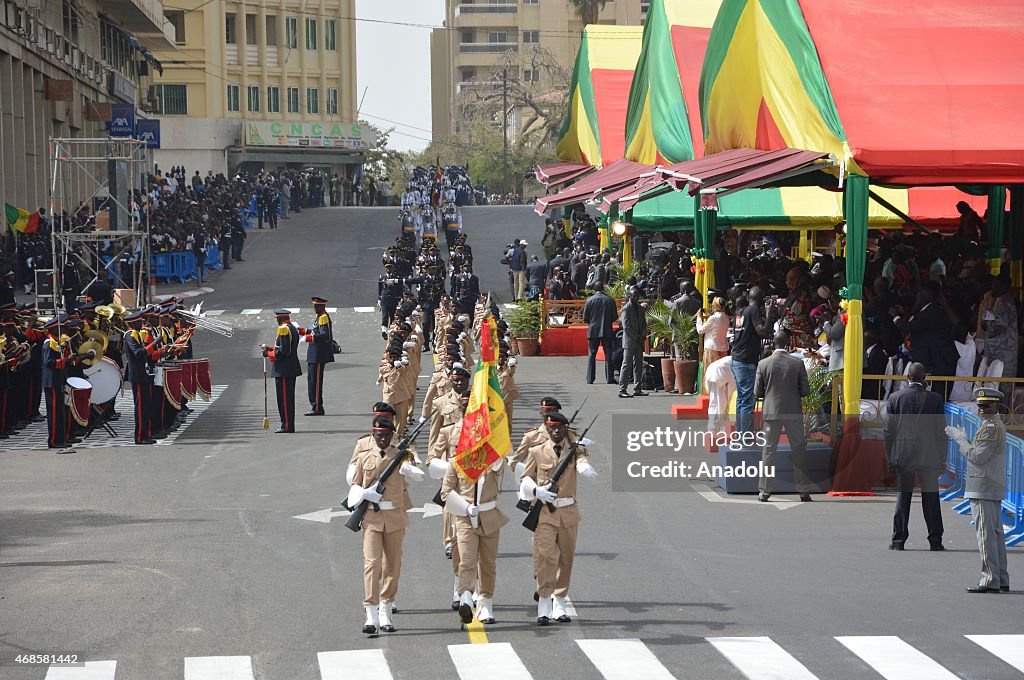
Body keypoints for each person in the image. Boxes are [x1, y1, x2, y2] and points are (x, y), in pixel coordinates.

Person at [519, 412, 597, 625]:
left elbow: (581, 457)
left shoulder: (574, 451)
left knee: (566, 558)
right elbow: (525, 477)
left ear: (565, 429)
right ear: (546, 427)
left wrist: (583, 466)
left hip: (568, 512)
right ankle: (544, 601)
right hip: (545, 511)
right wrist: (536, 490)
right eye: (551, 427)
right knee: (546, 557)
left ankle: (560, 602)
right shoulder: (536, 451)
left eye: (559, 428)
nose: (555, 431)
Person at [347, 416, 422, 634]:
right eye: (378, 435)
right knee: (372, 564)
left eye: (386, 435)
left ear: (392, 436)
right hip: (371, 517)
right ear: (373, 434)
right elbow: (354, 486)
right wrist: (364, 493)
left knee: (393, 565)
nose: (382, 439)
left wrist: (411, 469)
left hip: (394, 517)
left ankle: (386, 608)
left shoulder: (401, 456)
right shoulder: (364, 456)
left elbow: (414, 471)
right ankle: (370, 612)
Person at [439, 392, 507, 625]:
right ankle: (466, 596)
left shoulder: (493, 458)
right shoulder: (456, 462)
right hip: (466, 517)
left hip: (489, 515)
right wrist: (466, 508)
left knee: (488, 563)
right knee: (466, 560)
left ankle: (486, 602)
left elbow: (500, 468)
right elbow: (445, 493)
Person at [946, 388, 1010, 593]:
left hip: (983, 486)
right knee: (995, 534)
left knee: (986, 535)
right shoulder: (991, 425)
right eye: (979, 405)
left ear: (996, 406)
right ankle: (1000, 578)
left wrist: (960, 440)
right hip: (988, 485)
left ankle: (990, 579)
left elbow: (977, 457)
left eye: (986, 405)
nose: (981, 409)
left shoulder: (991, 427)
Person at [884, 362, 946, 551]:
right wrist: (942, 459)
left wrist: (890, 456)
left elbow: (888, 431)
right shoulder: (935, 399)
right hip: (929, 454)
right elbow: (940, 431)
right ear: (924, 378)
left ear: (907, 378)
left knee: (903, 497)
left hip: (904, 453)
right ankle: (935, 540)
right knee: (931, 498)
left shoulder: (895, 398)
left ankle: (898, 540)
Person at [755, 331, 812, 502]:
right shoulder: (797, 364)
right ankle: (803, 490)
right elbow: (805, 391)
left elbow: (757, 392)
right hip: (793, 411)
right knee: (799, 451)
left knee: (768, 452)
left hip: (772, 411)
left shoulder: (763, 364)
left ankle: (765, 491)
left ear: (774, 343)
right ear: (788, 344)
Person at [731, 287, 778, 432]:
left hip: (737, 359)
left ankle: (740, 432)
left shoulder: (741, 312)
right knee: (747, 400)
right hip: (746, 361)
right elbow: (762, 332)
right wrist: (769, 314)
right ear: (760, 299)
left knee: (741, 398)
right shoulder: (753, 310)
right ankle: (745, 436)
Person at [261, 309, 301, 433]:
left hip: (284, 370)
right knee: (287, 399)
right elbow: (284, 346)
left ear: (280, 319)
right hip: (289, 369)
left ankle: (287, 425)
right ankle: (287, 424)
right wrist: (272, 348)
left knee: (284, 400)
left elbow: (284, 351)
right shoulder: (291, 327)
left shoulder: (283, 329)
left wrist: (269, 354)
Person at [122, 309, 157, 445]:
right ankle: (140, 436)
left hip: (144, 373)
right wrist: (153, 343)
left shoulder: (136, 334)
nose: (141, 323)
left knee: (146, 405)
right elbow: (138, 353)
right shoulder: (130, 336)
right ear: (133, 323)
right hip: (137, 375)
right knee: (141, 407)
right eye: (138, 322)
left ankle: (146, 434)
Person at [299, 296, 335, 416]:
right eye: (314, 306)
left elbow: (325, 335)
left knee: (316, 381)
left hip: (319, 354)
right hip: (314, 354)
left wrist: (311, 338)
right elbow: (313, 330)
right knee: (311, 381)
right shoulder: (319, 317)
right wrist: (300, 330)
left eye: (317, 306)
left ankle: (318, 407)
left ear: (322, 306)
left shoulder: (324, 317)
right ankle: (314, 405)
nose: (315, 308)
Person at [583, 283, 617, 385]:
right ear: (603, 289)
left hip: (593, 330)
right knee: (608, 355)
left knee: (591, 355)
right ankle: (610, 378)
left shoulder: (589, 300)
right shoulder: (610, 300)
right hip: (607, 330)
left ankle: (590, 378)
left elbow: (585, 318)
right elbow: (614, 317)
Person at [618, 286, 647, 398]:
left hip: (639, 341)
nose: (636, 298)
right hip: (630, 341)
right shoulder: (626, 309)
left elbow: (644, 323)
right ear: (629, 296)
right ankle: (622, 389)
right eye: (634, 296)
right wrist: (637, 337)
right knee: (626, 364)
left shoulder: (640, 308)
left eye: (637, 296)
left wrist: (643, 335)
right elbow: (626, 326)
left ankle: (638, 388)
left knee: (638, 365)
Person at [695, 297, 729, 387]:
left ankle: (709, 392)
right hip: (723, 348)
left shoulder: (713, 318)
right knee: (721, 373)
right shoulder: (726, 317)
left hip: (712, 348)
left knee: (709, 372)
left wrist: (699, 318)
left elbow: (700, 330)